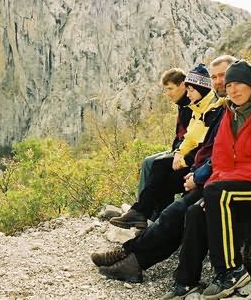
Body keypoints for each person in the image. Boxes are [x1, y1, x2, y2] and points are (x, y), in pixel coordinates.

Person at [165, 59, 251, 300]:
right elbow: (221, 158)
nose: (233, 90)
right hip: (247, 184)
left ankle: (231, 271)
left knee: (216, 193)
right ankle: (186, 280)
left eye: (239, 83)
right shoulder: (231, 114)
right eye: (229, 85)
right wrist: (215, 185)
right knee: (196, 210)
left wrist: (217, 186)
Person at [91, 57, 236, 284]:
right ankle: (132, 258)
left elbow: (222, 153)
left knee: (177, 211)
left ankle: (130, 252)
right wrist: (189, 164)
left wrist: (197, 174)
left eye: (223, 76)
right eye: (215, 76)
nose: (219, 81)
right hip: (210, 175)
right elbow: (207, 147)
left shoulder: (223, 110)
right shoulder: (221, 110)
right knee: (172, 207)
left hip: (221, 181)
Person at [109, 68, 193, 229]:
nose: (167, 94)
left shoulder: (190, 105)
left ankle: (145, 214)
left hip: (186, 153)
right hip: (178, 150)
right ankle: (145, 213)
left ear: (183, 85)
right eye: (166, 89)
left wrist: (177, 152)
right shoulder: (182, 105)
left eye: (170, 88)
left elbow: (190, 138)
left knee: (158, 165)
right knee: (149, 161)